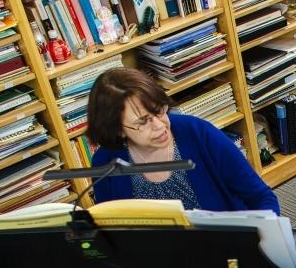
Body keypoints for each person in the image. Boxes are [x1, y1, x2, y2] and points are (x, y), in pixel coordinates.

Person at [86, 68, 280, 213]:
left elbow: (262, 198)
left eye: (159, 109)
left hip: (224, 250)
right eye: (143, 122)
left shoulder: (199, 133)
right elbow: (113, 230)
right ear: (118, 130)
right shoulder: (105, 163)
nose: (160, 125)